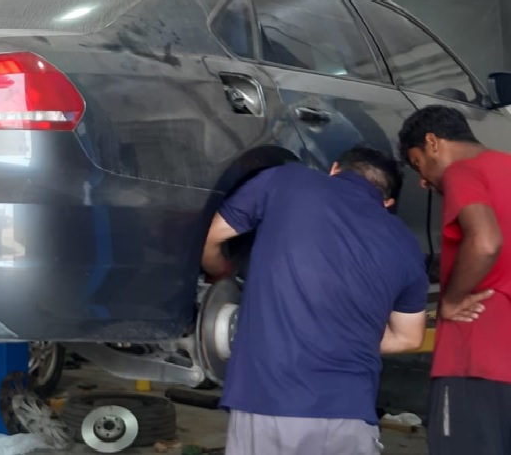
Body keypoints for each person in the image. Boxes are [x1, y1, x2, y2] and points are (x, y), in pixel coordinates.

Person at [201, 146, 430, 455]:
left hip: (271, 401)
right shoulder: (406, 243)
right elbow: (409, 338)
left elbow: (213, 236)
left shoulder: (286, 180)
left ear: (334, 169)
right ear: (387, 202)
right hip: (352, 415)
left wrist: (221, 273)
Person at [397, 105, 510, 455]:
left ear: (433, 142)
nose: (423, 180)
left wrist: (452, 300)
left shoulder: (461, 172)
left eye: (418, 163)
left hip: (475, 359)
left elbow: (486, 242)